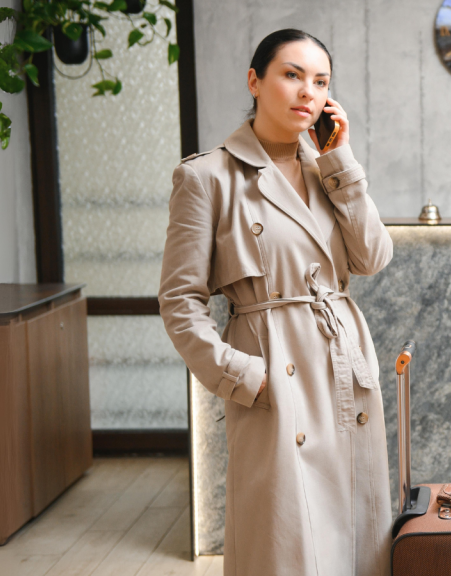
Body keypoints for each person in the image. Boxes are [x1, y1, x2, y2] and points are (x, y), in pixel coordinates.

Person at [158, 29, 393, 576]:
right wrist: (243, 375)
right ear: (254, 81)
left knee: (353, 526)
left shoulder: (329, 168)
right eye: (291, 75)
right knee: (283, 535)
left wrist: (343, 162)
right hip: (272, 367)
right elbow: (179, 300)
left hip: (343, 362)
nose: (306, 92)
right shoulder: (206, 177)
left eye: (320, 81)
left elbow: (373, 257)